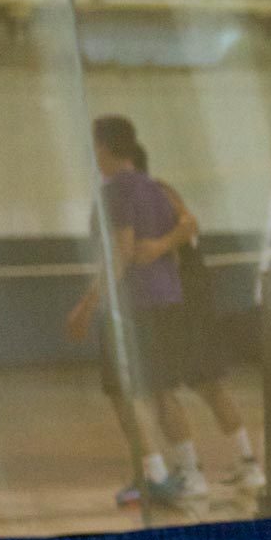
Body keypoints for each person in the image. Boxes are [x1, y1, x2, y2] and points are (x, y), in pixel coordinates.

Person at [122, 141, 267, 500]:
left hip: (186, 304)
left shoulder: (156, 192)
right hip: (180, 303)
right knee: (197, 384)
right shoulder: (139, 201)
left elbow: (188, 223)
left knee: (179, 386)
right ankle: (244, 465)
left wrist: (156, 248)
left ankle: (205, 472)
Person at [64, 117, 193, 509]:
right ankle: (190, 471)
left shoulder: (115, 191)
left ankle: (153, 475)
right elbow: (186, 227)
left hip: (133, 306)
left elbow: (121, 250)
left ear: (103, 147)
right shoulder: (156, 188)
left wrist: (88, 305)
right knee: (161, 389)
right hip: (168, 299)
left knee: (124, 391)